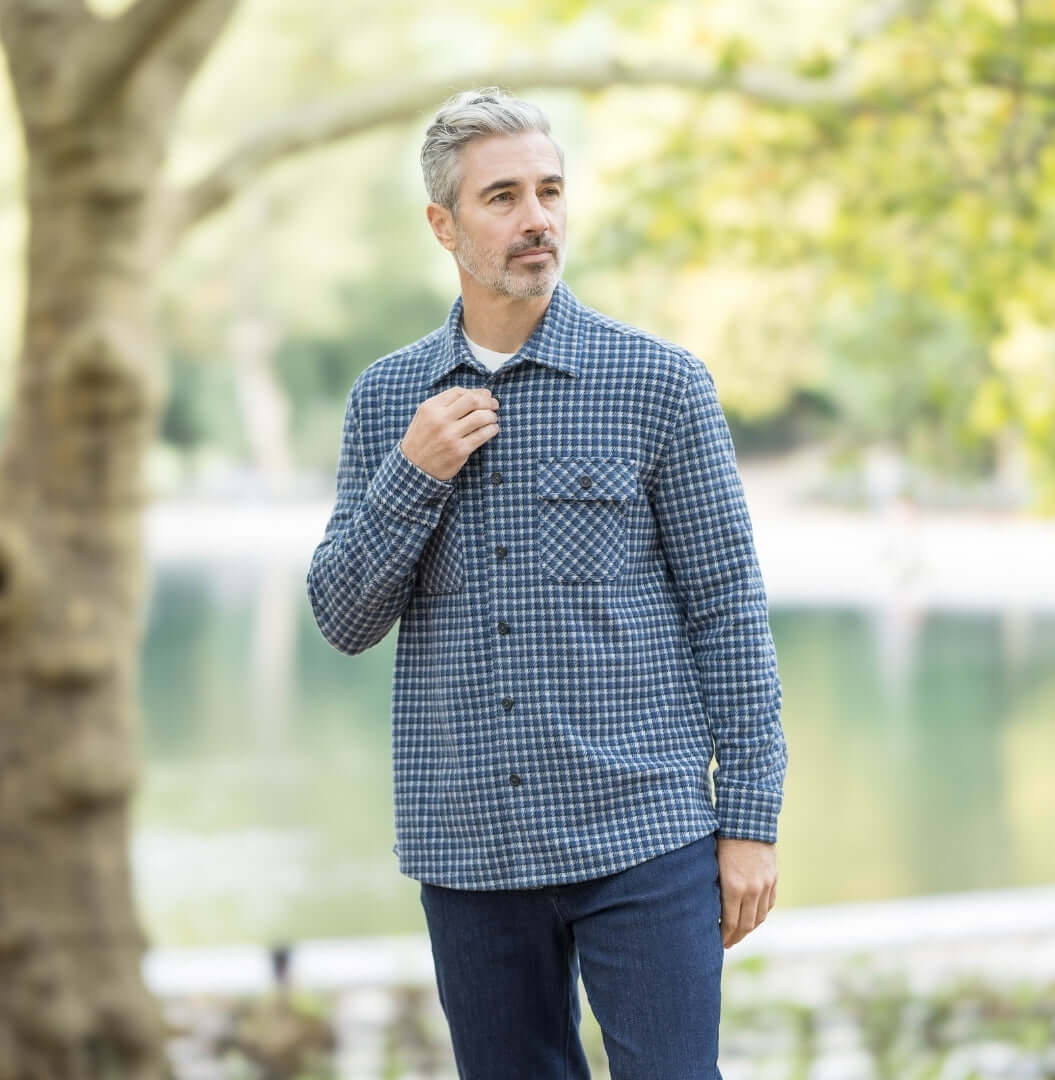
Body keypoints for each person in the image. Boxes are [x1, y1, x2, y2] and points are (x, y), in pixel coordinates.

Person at [306, 86, 788, 1080]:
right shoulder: (388, 400)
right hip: (468, 846)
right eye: (502, 198)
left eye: (550, 192)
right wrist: (413, 475)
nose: (536, 219)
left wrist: (748, 820)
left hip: (642, 835)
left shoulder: (660, 385)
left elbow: (729, 610)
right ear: (443, 224)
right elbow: (345, 618)